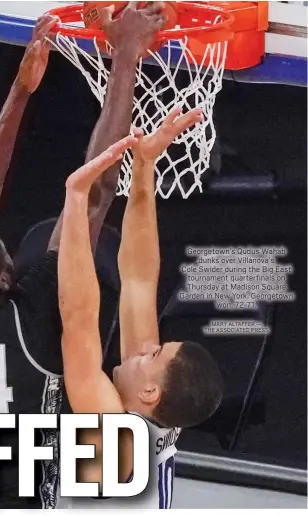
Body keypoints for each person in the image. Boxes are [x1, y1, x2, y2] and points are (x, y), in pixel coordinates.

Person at [0, 4, 166, 509]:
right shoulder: (20, 318)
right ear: (4, 282)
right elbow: (87, 195)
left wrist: (25, 90)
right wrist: (125, 54)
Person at [58, 110, 224, 509]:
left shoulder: (119, 439)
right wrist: (145, 167)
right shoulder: (155, 414)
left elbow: (79, 320)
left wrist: (77, 200)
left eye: (153, 354)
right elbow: (138, 280)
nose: (145, 347)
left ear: (150, 392)